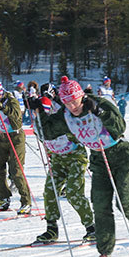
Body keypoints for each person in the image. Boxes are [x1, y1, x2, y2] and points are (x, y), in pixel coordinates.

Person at [36, 77, 129, 257]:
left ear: (81, 96)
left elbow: (119, 128)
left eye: (75, 100)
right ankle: (105, 255)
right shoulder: (66, 114)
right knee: (100, 205)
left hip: (120, 154)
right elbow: (47, 132)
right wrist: (39, 110)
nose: (72, 106)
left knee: (125, 202)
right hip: (99, 158)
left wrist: (100, 112)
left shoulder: (98, 103)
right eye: (67, 102)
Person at [29, 85, 96, 244]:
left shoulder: (60, 121)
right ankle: (51, 229)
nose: (37, 115)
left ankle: (92, 228)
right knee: (49, 192)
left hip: (75, 157)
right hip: (58, 160)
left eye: (42, 112)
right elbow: (46, 143)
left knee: (73, 193)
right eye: (36, 113)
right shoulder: (38, 126)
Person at [0, 81, 31, 215]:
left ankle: (26, 201)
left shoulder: (11, 101)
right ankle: (3, 198)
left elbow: (17, 121)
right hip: (0, 137)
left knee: (16, 171)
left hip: (15, 137)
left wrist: (2, 108)